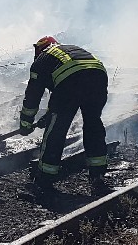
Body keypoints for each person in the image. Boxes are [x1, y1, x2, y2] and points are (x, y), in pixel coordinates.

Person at [20, 36, 109, 193]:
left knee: (56, 130)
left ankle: (44, 179)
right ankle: (98, 175)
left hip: (72, 80)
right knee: (93, 124)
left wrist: (25, 123)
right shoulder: (68, 50)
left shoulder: (41, 60)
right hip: (98, 76)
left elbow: (33, 96)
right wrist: (50, 115)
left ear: (40, 49)